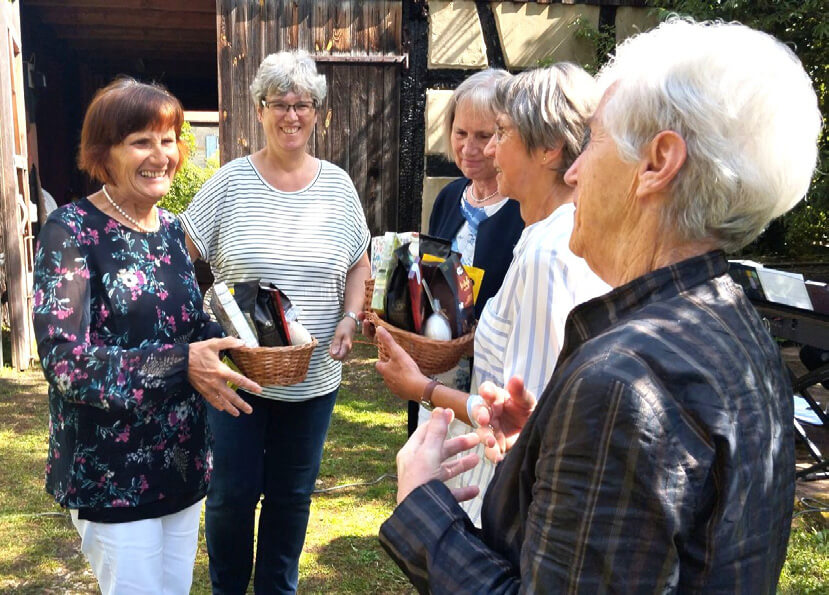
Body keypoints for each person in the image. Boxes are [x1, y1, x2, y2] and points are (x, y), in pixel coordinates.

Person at [379, 18, 822, 592]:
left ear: (658, 163)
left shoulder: (624, 382)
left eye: (596, 140)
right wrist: (544, 454)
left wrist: (420, 505)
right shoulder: (734, 323)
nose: (576, 168)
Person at [32, 78, 261, 595]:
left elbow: (187, 324)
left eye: (169, 139)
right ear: (102, 153)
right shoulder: (70, 230)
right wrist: (184, 362)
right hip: (111, 474)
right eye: (140, 141)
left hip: (181, 462)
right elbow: (67, 362)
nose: (161, 155)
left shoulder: (172, 231)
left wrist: (243, 336)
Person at [376, 64, 609, 526]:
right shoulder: (545, 234)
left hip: (506, 487)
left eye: (499, 133)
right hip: (489, 467)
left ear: (549, 149)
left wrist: (420, 387)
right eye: (465, 132)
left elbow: (525, 420)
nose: (484, 149)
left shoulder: (549, 253)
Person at [180, 50, 371, 594]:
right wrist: (196, 326)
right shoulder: (230, 183)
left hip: (312, 382)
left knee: (291, 497)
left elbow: (359, 263)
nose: (292, 115)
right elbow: (179, 255)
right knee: (231, 495)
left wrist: (349, 319)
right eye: (280, 104)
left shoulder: (338, 186)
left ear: (317, 113)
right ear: (259, 109)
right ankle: (228, 588)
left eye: (303, 105)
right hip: (237, 377)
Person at [409, 68, 523, 435]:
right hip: (434, 376)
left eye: (484, 135)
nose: (468, 148)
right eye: (460, 133)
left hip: (493, 388)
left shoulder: (524, 208)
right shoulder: (448, 198)